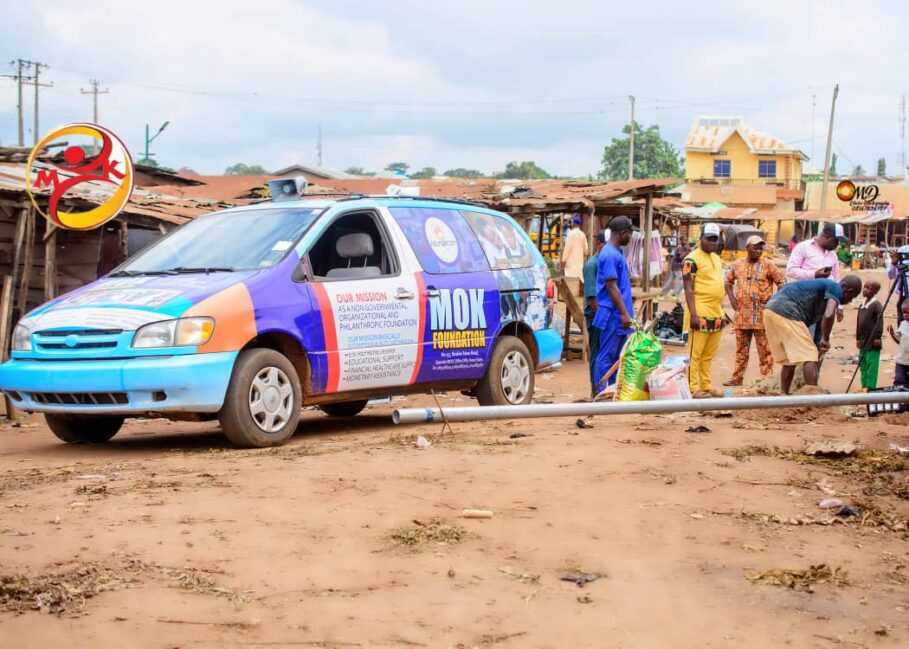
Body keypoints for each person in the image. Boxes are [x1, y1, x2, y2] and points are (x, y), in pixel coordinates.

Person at [764, 275, 863, 394]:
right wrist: (826, 339)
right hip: (787, 310)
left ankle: (783, 394)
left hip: (770, 310)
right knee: (810, 355)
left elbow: (821, 319)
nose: (849, 301)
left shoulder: (821, 290)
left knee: (789, 360)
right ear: (848, 289)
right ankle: (813, 397)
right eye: (852, 297)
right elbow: (828, 315)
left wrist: (821, 339)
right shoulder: (836, 287)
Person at [723, 234, 785, 386]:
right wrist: (731, 298)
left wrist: (774, 303)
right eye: (755, 247)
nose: (759, 250)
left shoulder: (768, 264)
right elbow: (727, 282)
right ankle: (737, 378)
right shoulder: (737, 264)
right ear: (747, 248)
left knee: (765, 350)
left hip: (761, 316)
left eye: (761, 248)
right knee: (741, 350)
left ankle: (767, 380)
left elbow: (782, 283)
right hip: (742, 315)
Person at [682, 223, 726, 397]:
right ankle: (693, 388)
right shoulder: (691, 259)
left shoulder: (716, 258)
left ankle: (706, 386)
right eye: (709, 238)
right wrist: (693, 314)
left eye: (715, 239)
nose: (712, 243)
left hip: (716, 313)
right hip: (699, 312)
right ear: (700, 238)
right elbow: (688, 288)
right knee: (695, 354)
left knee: (708, 354)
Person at [592, 216, 635, 392]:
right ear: (622, 233)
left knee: (618, 356)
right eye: (630, 233)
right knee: (606, 356)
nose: (631, 237)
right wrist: (624, 313)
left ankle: (612, 391)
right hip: (613, 314)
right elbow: (611, 286)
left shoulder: (616, 252)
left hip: (618, 313)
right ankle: (602, 393)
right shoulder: (609, 254)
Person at [787, 222, 848, 331]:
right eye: (836, 241)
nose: (837, 245)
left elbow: (836, 279)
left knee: (822, 339)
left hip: (826, 303)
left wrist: (839, 306)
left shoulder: (832, 254)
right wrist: (814, 274)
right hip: (807, 301)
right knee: (807, 337)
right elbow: (791, 270)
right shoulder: (803, 248)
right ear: (827, 237)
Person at [583, 230, 607, 395]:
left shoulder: (606, 262)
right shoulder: (592, 265)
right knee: (597, 352)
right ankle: (595, 389)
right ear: (599, 244)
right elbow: (592, 298)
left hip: (605, 314)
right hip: (596, 315)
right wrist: (603, 316)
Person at [856, 279, 883, 391]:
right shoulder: (862, 305)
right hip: (863, 341)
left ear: (875, 291)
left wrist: (877, 337)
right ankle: (864, 386)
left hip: (872, 341)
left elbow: (880, 321)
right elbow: (858, 322)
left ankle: (870, 388)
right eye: (865, 287)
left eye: (869, 288)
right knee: (863, 365)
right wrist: (857, 338)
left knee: (872, 365)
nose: (865, 290)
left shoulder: (876, 305)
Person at [561, 216, 588, 297]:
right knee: (578, 283)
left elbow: (567, 250)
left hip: (570, 265)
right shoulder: (583, 235)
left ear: (573, 223)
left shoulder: (570, 235)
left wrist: (563, 261)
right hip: (579, 264)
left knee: (570, 285)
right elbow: (586, 251)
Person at [887, 301, 909, 387]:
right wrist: (892, 333)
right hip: (901, 360)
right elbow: (899, 341)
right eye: (903, 312)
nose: (905, 315)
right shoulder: (903, 324)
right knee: (899, 382)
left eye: (907, 312)